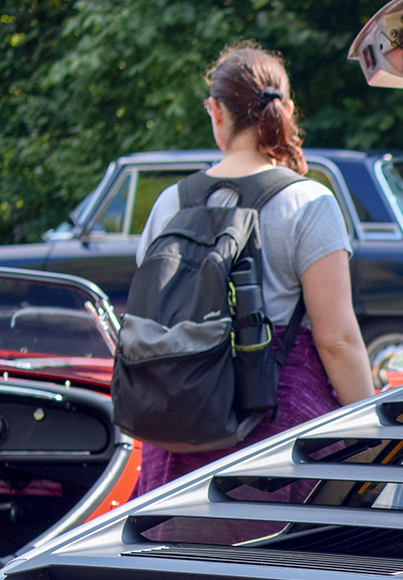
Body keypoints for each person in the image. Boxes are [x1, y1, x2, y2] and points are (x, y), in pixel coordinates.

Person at [131, 42, 373, 496]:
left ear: (216, 111)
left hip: (179, 443)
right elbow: (337, 341)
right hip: (279, 441)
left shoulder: (170, 204)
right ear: (284, 109)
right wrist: (374, 435)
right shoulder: (309, 203)